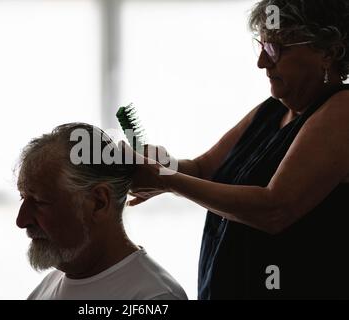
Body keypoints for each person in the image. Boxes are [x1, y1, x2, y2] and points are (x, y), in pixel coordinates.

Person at [127, 0, 349, 299]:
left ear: (329, 52)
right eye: (262, 45)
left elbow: (275, 209)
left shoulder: (343, 111)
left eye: (277, 48)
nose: (262, 62)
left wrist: (165, 179)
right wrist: (164, 164)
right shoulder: (272, 110)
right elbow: (205, 169)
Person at [15, 123, 187, 300]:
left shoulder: (153, 297)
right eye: (23, 197)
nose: (21, 220)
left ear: (99, 202)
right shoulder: (46, 288)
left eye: (39, 201)